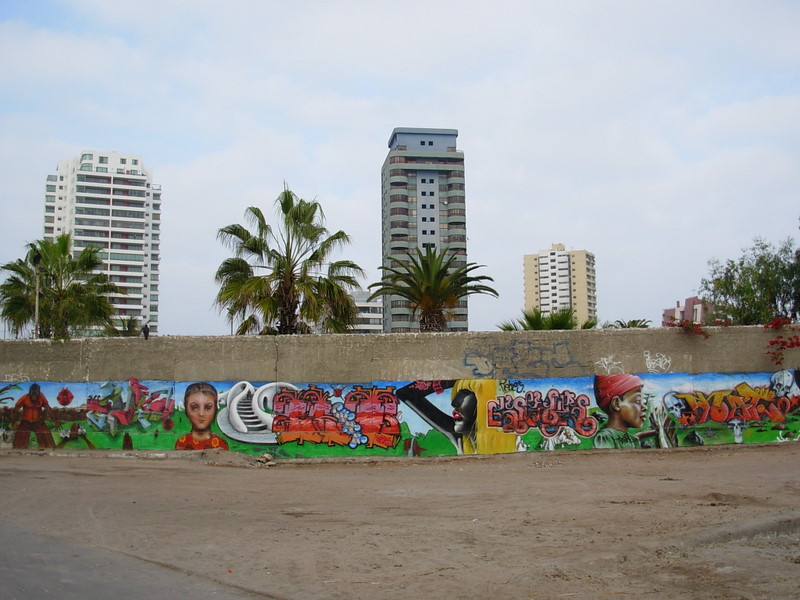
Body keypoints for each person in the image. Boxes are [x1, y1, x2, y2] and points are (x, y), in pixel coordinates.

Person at [395, 379, 516, 454]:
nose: (454, 403)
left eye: (465, 393)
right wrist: (453, 381)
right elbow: (406, 394)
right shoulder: (460, 439)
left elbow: (406, 394)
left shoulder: (459, 439)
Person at [592, 374, 646, 449]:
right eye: (637, 401)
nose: (644, 407)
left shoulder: (633, 440)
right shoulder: (605, 437)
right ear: (616, 404)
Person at [175, 382, 229, 450]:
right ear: (186, 410)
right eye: (194, 407)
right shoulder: (181, 443)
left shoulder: (221, 444)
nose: (201, 414)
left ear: (215, 409)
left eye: (208, 407)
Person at [12, 383, 56, 449]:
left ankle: (49, 449)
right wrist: (14, 422)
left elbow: (48, 409)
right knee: (19, 440)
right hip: (26, 422)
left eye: (35, 394)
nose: (34, 396)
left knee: (47, 438)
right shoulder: (24, 398)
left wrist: (55, 420)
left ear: (38, 393)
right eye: (32, 394)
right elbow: (15, 410)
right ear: (30, 393)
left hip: (38, 422)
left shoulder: (41, 397)